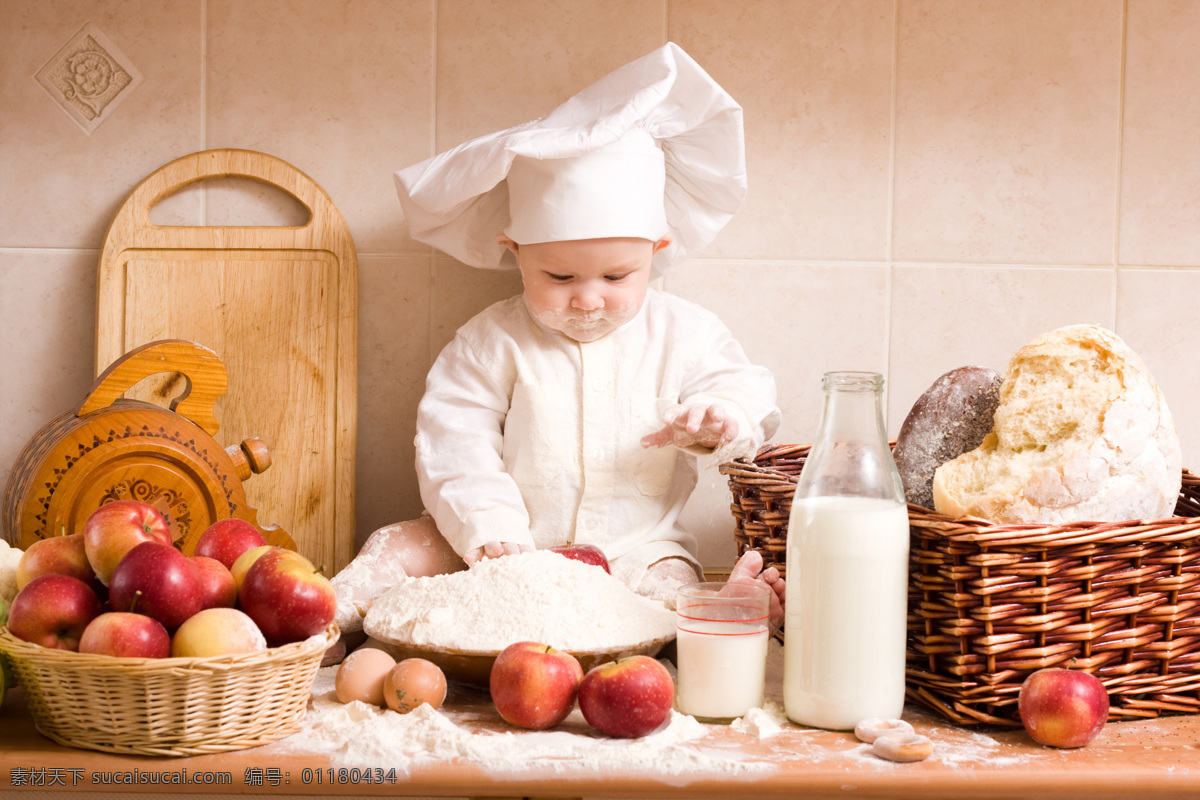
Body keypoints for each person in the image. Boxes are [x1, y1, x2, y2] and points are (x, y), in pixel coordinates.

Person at [331, 43, 785, 652]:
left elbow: (746, 387)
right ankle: (320, 619)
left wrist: (719, 418)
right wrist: (490, 530)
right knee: (396, 546)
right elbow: (453, 437)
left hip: (636, 549)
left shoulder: (687, 333)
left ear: (657, 250)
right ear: (514, 250)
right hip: (498, 546)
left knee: (669, 588)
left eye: (617, 277)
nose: (589, 300)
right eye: (561, 278)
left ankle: (719, 619)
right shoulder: (492, 340)